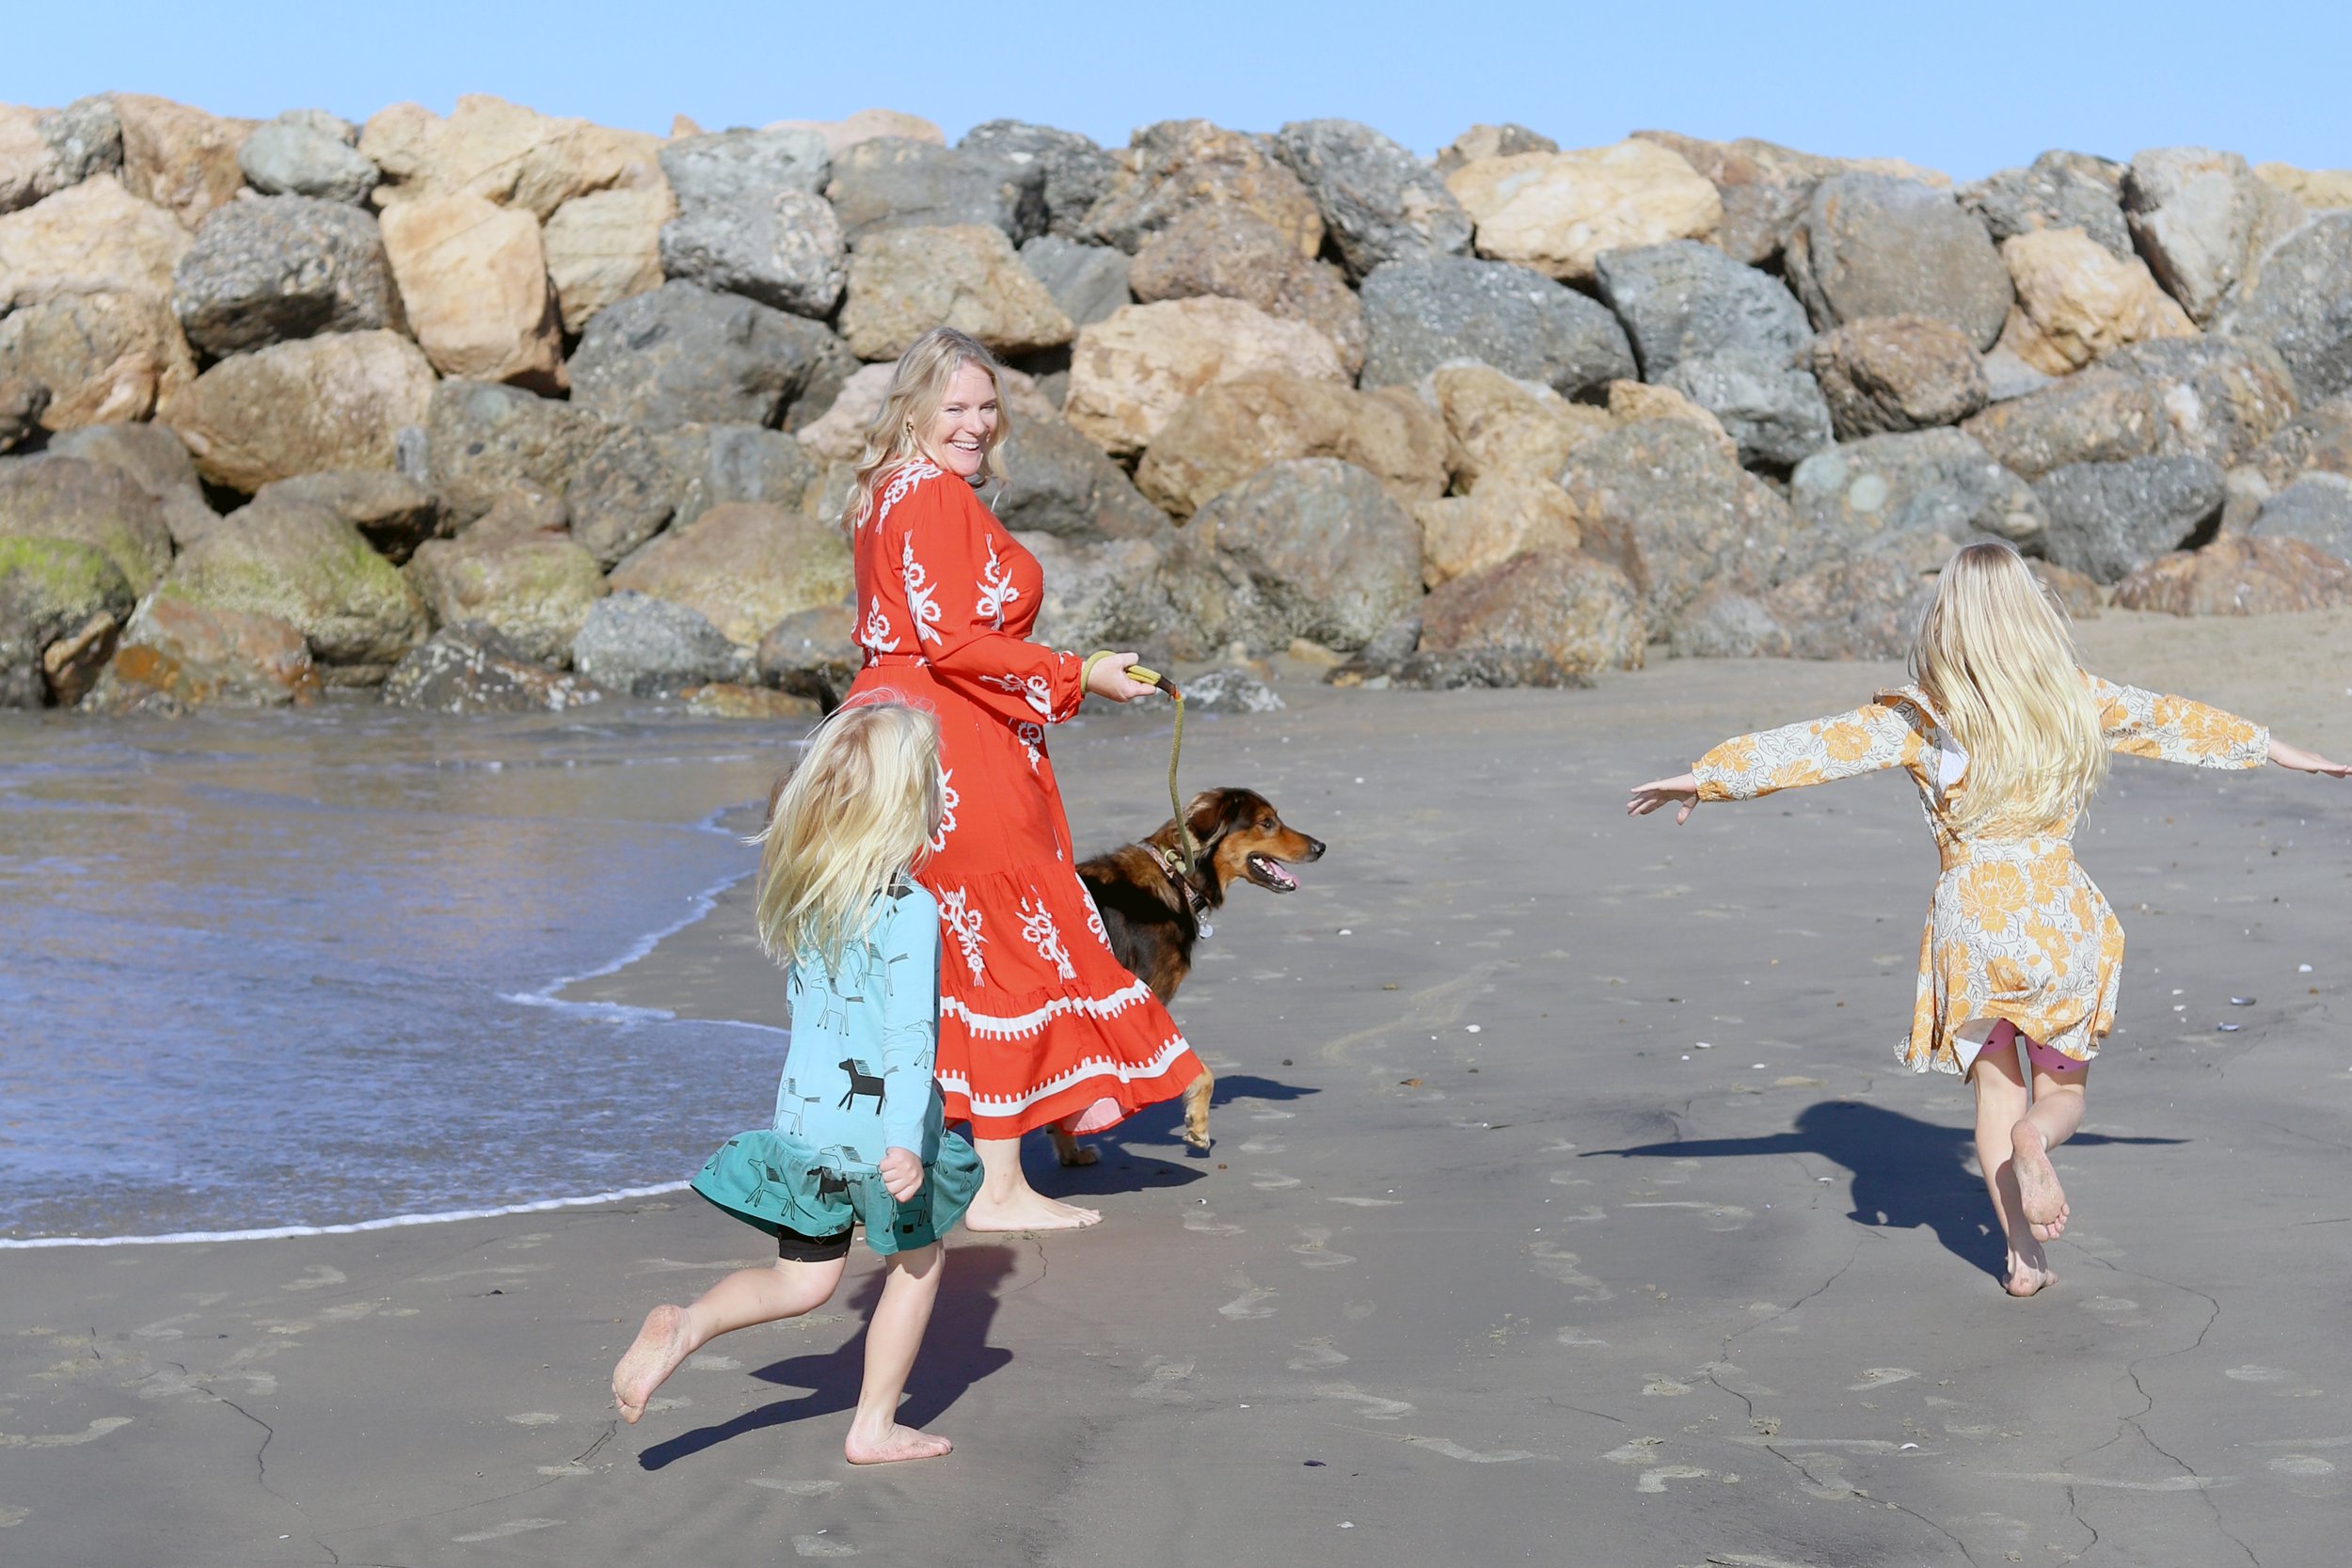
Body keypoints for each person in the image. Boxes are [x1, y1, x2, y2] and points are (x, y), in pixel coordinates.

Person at [1627, 541, 2347, 1297]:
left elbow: (1815, 747)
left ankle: (2023, 1260)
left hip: (1972, 925)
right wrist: (2281, 749)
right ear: (2032, 614)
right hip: (2059, 915)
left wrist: (1708, 776)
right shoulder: (2075, 697)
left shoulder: (1925, 714)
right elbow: (2175, 721)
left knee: (1996, 1099)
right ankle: (2043, 1137)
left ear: (1948, 619)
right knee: (2060, 1091)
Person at [836, 325, 1204, 1232]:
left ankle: (942, 1158)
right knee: (1003, 936)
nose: (974, 423)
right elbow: (955, 642)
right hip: (951, 742)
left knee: (952, 945)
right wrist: (1082, 674)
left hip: (906, 733)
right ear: (914, 409)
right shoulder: (930, 499)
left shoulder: (890, 491)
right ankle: (1000, 1189)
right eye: (954, 406)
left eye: (986, 405)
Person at [612, 701, 980, 1465]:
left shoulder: (810, 893)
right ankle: (872, 1426)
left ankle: (688, 1325)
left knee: (802, 1280)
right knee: (918, 1263)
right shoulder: (911, 908)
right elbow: (909, 1040)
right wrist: (907, 1141)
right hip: (881, 1129)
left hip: (804, 1125)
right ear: (908, 805)